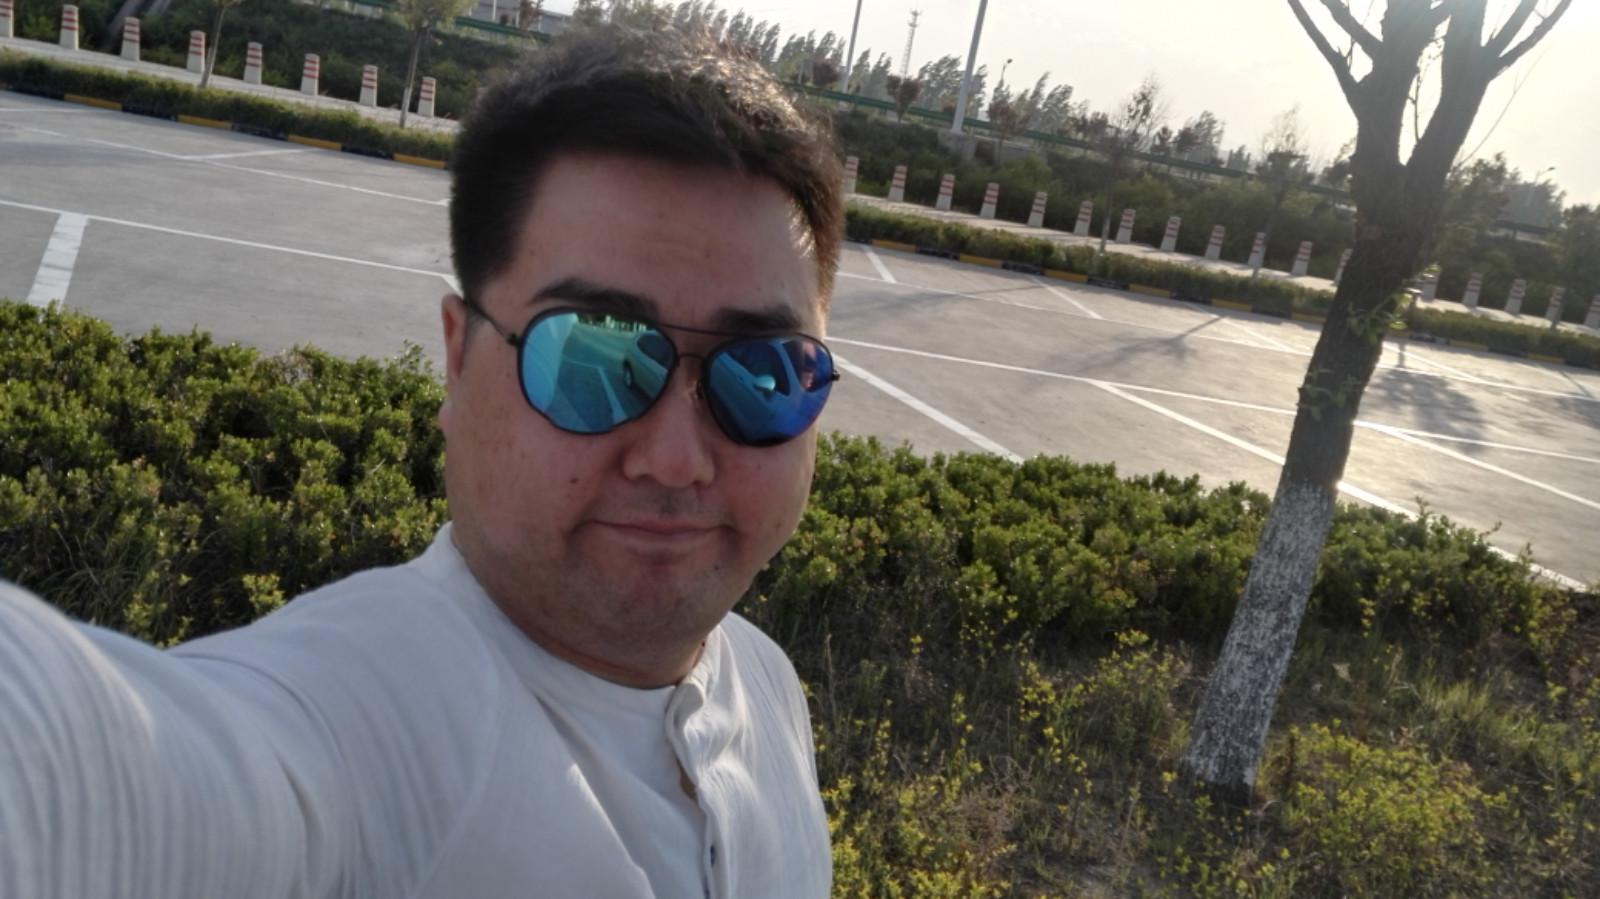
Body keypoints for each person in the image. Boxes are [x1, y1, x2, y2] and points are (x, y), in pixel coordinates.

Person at [0, 26, 843, 898]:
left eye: (765, 372)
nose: (675, 459)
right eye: (590, 354)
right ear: (458, 357)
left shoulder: (767, 685)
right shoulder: (363, 720)